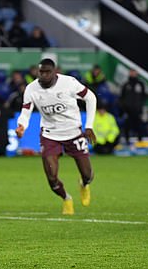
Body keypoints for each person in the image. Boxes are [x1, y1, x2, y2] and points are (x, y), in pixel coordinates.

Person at [15, 58, 97, 216]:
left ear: (55, 72)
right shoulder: (32, 89)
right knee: (51, 177)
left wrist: (89, 126)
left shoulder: (69, 83)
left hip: (73, 132)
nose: (44, 75)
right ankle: (66, 198)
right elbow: (26, 111)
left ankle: (84, 184)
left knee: (88, 175)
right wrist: (21, 125)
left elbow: (90, 97)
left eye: (47, 72)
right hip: (50, 135)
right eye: (41, 72)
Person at [119, 69, 148, 144]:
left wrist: (140, 104)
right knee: (127, 127)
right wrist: (124, 106)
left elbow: (145, 95)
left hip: (138, 110)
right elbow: (121, 96)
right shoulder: (126, 84)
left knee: (139, 127)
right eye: (131, 72)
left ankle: (140, 142)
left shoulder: (141, 84)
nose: (132, 74)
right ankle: (127, 142)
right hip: (128, 111)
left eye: (134, 72)